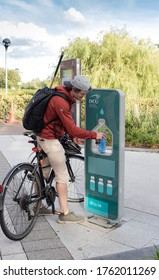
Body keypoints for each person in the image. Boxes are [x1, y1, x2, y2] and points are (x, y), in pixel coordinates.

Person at [36, 75, 106, 224]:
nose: (83, 97)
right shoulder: (61, 101)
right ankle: (65, 213)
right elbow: (73, 129)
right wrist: (94, 135)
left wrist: (70, 135)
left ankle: (38, 205)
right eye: (82, 94)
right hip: (50, 140)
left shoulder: (62, 95)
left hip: (43, 136)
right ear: (74, 89)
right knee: (62, 176)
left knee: (42, 172)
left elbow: (59, 123)